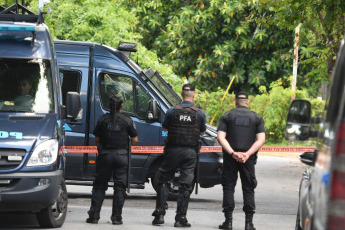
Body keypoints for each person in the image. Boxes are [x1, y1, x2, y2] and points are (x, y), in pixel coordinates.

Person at [152, 83, 206, 228]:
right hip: (190, 152)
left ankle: (159, 215)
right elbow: (202, 132)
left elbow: (164, 127)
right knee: (185, 184)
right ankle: (180, 218)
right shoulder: (199, 113)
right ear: (193, 95)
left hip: (173, 151)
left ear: (181, 94)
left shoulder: (172, 111)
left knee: (163, 180)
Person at [217, 92, 265, 230]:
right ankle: (249, 224)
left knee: (228, 187)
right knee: (248, 189)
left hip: (230, 158)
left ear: (235, 102)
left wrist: (232, 153)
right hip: (248, 159)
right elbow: (261, 140)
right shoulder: (256, 118)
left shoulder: (227, 116)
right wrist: (247, 154)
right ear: (248, 102)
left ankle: (228, 222)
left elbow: (221, 138)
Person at [86, 95, 138, 225]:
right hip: (121, 156)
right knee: (120, 187)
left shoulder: (103, 119)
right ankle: (116, 218)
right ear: (121, 106)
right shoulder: (127, 120)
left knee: (99, 186)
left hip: (105, 155)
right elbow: (134, 140)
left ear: (109, 106)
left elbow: (97, 139)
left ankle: (94, 216)